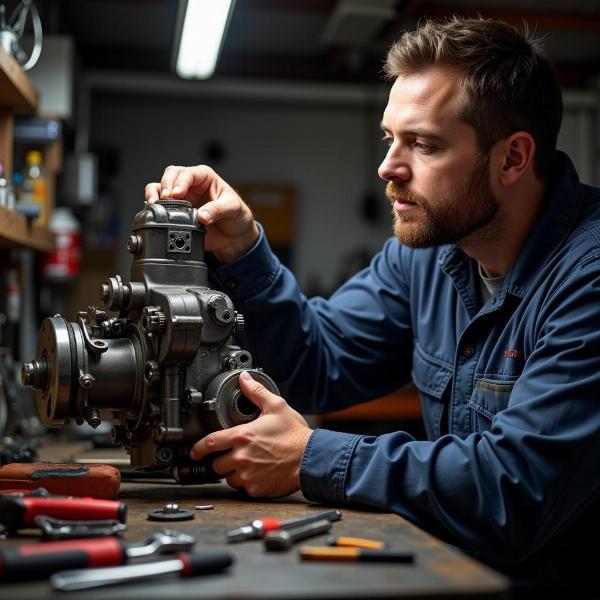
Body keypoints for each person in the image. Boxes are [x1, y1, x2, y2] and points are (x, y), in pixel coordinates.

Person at [145, 17, 600, 594]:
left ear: (512, 158)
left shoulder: (587, 279)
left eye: (425, 144)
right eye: (390, 138)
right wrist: (242, 248)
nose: (388, 166)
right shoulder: (428, 255)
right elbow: (317, 361)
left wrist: (313, 456)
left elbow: (516, 490)